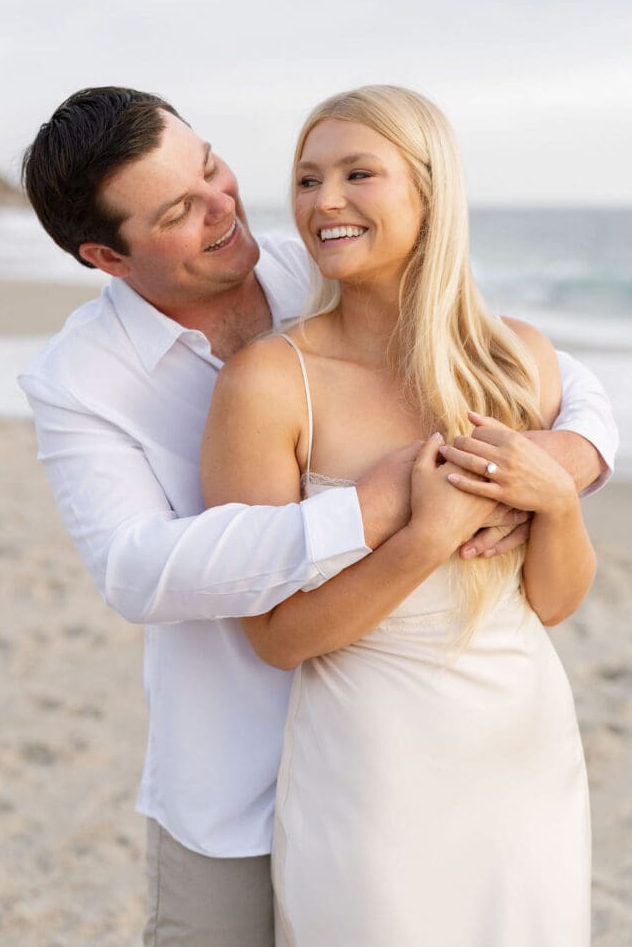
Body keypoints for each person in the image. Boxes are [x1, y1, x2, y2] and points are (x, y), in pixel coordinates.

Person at [18, 87, 616, 947]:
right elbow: (133, 571)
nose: (225, 207)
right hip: (238, 772)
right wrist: (378, 509)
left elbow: (547, 374)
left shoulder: (318, 263)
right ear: (108, 258)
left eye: (212, 167)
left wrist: (565, 463)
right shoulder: (81, 380)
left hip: (478, 752)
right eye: (182, 210)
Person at [201, 85, 599, 945]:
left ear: (428, 190)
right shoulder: (271, 381)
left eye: (357, 173)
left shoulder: (517, 359)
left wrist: (558, 501)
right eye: (306, 180)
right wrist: (421, 539)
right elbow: (273, 638)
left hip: (524, 753)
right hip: (372, 769)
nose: (323, 202)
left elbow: (555, 603)